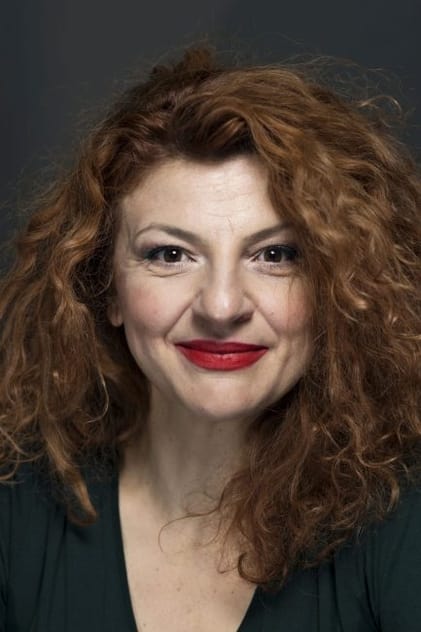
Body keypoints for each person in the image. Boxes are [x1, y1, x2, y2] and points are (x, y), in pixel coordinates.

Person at [0, 45, 420, 632]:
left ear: (340, 285)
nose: (221, 307)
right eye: (170, 255)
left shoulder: (401, 513)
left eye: (276, 255)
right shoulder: (18, 504)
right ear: (107, 288)